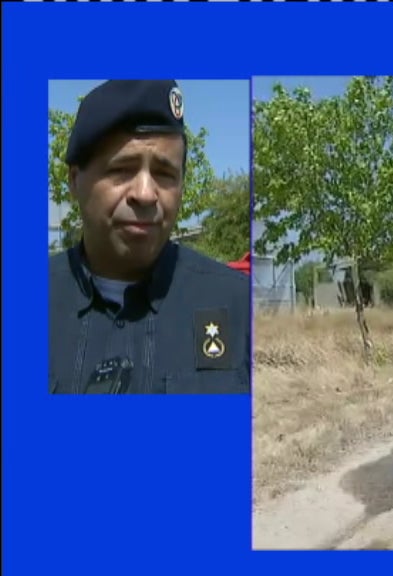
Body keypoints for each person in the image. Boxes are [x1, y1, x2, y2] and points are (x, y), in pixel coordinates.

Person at [48, 80, 251, 395]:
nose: (145, 194)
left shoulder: (236, 304)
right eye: (123, 169)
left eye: (164, 174)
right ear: (75, 181)